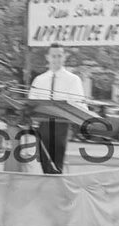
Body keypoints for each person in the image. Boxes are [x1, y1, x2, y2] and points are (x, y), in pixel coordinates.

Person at [27, 42, 87, 174]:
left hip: (62, 125)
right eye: (53, 56)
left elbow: (80, 104)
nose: (56, 59)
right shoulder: (39, 80)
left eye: (59, 56)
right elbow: (30, 104)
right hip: (43, 125)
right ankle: (50, 189)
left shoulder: (73, 80)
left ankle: (56, 190)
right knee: (44, 161)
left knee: (57, 164)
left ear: (64, 57)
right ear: (47, 57)